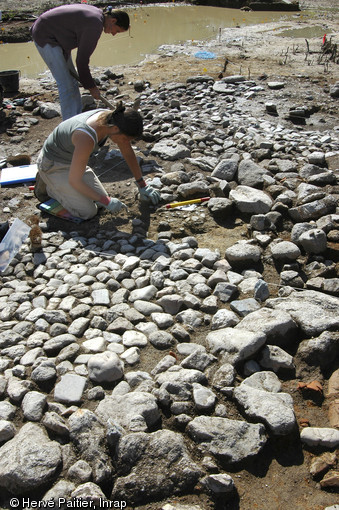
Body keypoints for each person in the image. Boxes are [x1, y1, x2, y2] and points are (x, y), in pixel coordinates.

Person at [34, 103, 161, 220]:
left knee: (100, 203)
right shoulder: (86, 136)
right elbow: (74, 180)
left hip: (74, 162)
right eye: (125, 138)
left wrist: (142, 185)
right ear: (116, 129)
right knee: (87, 212)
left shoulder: (112, 118)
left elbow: (127, 152)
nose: (125, 142)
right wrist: (107, 201)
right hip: (53, 165)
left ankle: (61, 185)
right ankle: (49, 186)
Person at [31, 4, 130, 120]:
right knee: (65, 85)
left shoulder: (98, 17)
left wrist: (89, 85)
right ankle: (69, 126)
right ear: (113, 20)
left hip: (59, 38)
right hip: (45, 35)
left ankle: (75, 118)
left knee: (72, 82)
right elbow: (82, 61)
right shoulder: (94, 25)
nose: (114, 34)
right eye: (116, 30)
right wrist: (92, 87)